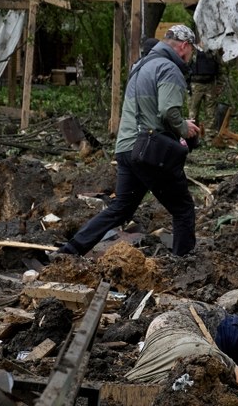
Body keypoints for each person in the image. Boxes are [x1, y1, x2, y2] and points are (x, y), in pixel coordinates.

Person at [54, 25, 201, 257]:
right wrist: (185, 128)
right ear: (184, 46)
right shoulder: (170, 68)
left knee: (120, 209)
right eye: (192, 50)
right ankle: (184, 265)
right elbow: (168, 111)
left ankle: (69, 250)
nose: (191, 56)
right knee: (183, 209)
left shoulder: (140, 66)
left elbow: (150, 110)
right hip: (149, 153)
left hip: (126, 148)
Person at [188, 46, 222, 132]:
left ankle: (209, 137)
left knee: (211, 113)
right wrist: (187, 84)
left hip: (210, 84)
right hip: (195, 85)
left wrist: (219, 84)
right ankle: (193, 137)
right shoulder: (193, 50)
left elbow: (219, 68)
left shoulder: (213, 51)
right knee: (193, 113)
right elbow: (186, 66)